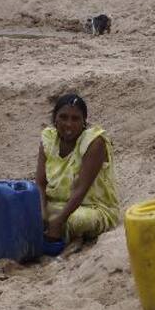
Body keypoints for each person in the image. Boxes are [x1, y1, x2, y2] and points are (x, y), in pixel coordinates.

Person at [35, 93, 119, 246]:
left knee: (76, 221)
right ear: (55, 118)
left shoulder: (94, 142)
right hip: (55, 204)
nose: (68, 124)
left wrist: (58, 221)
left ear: (84, 122)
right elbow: (40, 183)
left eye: (75, 119)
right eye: (63, 117)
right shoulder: (48, 138)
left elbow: (80, 189)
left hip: (91, 208)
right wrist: (42, 212)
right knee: (23, 211)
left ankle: (67, 236)